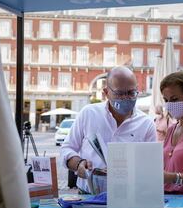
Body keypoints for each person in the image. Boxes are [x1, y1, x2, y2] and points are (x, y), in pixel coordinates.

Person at [60, 66, 157, 194]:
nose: (126, 98)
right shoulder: (89, 114)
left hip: (128, 197)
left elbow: (151, 166)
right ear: (106, 92)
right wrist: (79, 164)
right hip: (88, 196)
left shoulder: (146, 123)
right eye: (120, 93)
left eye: (131, 93)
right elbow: (67, 148)